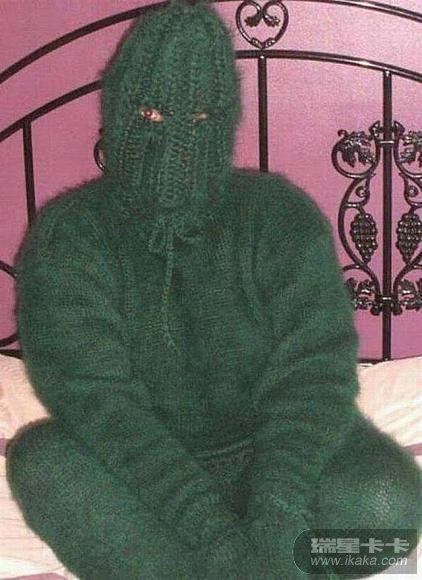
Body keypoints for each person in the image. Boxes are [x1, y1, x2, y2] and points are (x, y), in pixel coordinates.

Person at [5, 1, 421, 578]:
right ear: (117, 111)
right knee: (42, 461)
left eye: (199, 117)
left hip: (270, 453)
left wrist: (277, 514)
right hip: (139, 472)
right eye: (151, 113)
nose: (175, 139)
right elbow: (101, 407)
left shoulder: (279, 216)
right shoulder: (70, 237)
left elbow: (314, 375)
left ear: (225, 120)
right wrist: (219, 536)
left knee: (387, 510)